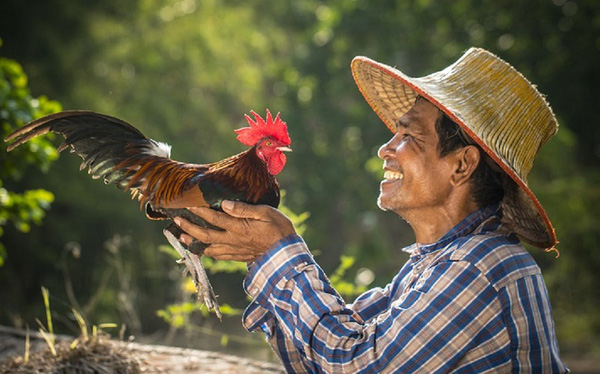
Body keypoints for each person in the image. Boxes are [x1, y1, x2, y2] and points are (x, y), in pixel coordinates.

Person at [174, 48, 569, 373]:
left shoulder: (480, 268)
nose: (385, 149)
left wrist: (277, 252)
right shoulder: (432, 268)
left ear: (462, 165)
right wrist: (261, 250)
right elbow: (315, 359)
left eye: (409, 136)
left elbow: (355, 365)